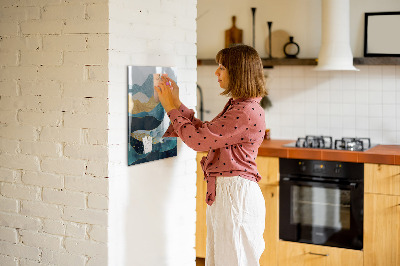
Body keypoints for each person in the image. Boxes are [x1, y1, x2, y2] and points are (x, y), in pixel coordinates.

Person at [155, 44, 267, 266]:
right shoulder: (240, 106)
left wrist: (170, 108)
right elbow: (206, 133)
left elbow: (198, 141)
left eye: (222, 67)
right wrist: (176, 104)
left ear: (238, 72)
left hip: (235, 197)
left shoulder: (244, 111)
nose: (217, 73)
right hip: (230, 195)